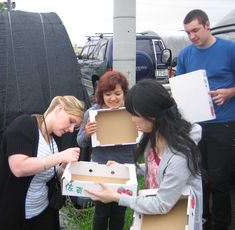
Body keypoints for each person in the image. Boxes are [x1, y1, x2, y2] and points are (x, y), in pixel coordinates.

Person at [85, 79, 203, 230]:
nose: (132, 119)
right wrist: (127, 170)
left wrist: (117, 197)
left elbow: (162, 204)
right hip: (156, 216)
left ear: (152, 114)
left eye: (135, 115)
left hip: (175, 218)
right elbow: (154, 167)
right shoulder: (154, 135)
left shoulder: (180, 155)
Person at [0, 95, 84, 230]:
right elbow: (19, 168)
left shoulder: (54, 139)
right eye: (71, 121)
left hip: (41, 211)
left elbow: (44, 171)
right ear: (59, 109)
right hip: (11, 214)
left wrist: (60, 171)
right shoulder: (24, 125)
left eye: (75, 126)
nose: (71, 129)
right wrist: (60, 157)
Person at [176, 9, 235, 230]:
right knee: (199, 178)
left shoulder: (230, 49)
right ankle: (201, 220)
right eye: (188, 32)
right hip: (195, 125)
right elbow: (180, 88)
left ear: (207, 25)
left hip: (224, 123)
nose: (192, 36)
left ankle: (221, 224)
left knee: (220, 179)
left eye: (195, 30)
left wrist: (229, 92)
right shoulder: (185, 55)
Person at [77, 71, 136, 230]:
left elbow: (141, 143)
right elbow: (80, 141)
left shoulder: (132, 112)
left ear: (124, 93)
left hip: (124, 169)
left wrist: (137, 130)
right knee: (101, 212)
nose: (113, 98)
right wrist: (88, 133)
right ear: (101, 95)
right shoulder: (92, 113)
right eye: (108, 94)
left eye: (117, 93)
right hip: (100, 169)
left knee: (119, 212)